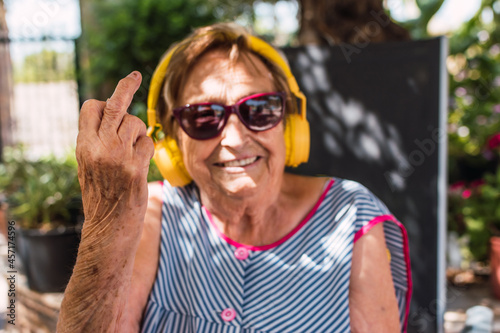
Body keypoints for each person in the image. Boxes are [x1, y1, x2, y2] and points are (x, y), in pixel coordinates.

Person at [57, 23, 411, 332]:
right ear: (171, 140)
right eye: (204, 116)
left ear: (290, 126)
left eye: (259, 109)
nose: (237, 139)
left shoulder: (351, 214)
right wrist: (108, 217)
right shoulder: (149, 213)